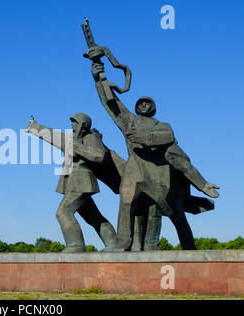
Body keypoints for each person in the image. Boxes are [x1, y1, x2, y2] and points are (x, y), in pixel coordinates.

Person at [89, 61, 219, 250]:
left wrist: (203, 184)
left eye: (147, 102)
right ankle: (123, 241)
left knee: (176, 215)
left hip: (159, 179)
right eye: (140, 103)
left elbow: (181, 158)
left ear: (153, 107)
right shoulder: (130, 122)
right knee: (126, 202)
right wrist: (98, 79)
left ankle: (188, 248)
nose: (143, 105)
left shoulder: (164, 127)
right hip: (134, 173)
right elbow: (111, 104)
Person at [25, 113, 117, 252]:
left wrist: (75, 147)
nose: (72, 125)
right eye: (72, 122)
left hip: (82, 181)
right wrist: (36, 127)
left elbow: (99, 155)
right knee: (93, 217)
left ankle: (76, 245)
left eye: (75, 122)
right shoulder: (72, 139)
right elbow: (55, 136)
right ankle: (113, 243)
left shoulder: (91, 137)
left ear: (83, 125)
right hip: (74, 181)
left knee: (63, 212)